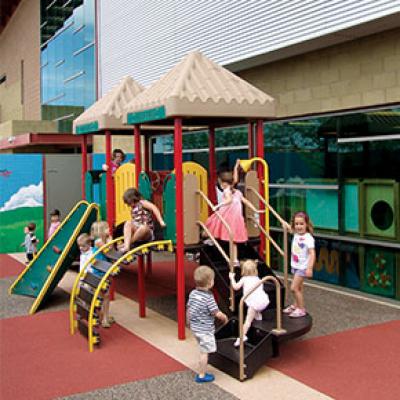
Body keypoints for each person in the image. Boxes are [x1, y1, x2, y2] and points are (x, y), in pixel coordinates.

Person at [205, 173, 264, 266]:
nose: (220, 185)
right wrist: (255, 209)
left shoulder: (226, 190)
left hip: (227, 215)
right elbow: (246, 201)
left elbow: (229, 200)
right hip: (236, 217)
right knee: (233, 238)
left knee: (213, 224)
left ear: (224, 183)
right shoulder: (238, 192)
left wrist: (218, 205)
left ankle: (211, 239)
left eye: (220, 183)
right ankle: (235, 259)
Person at [187, 265, 228, 383]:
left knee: (202, 347)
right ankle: (202, 375)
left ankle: (202, 366)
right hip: (205, 329)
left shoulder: (193, 293)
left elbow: (189, 308)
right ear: (210, 283)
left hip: (195, 327)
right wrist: (224, 318)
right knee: (204, 352)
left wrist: (188, 321)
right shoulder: (209, 298)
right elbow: (216, 313)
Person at [229, 259, 270, 346]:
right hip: (264, 301)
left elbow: (236, 287)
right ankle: (258, 315)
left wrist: (232, 278)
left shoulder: (244, 279)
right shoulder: (258, 279)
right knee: (256, 303)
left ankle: (242, 336)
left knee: (247, 321)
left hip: (254, 304)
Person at [283, 211, 316, 318]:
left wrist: (309, 268)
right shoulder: (296, 234)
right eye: (296, 224)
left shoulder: (308, 238)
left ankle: (301, 309)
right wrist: (285, 224)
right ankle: (295, 304)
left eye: (301, 224)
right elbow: (289, 228)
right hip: (295, 266)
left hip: (303, 267)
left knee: (294, 288)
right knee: (299, 287)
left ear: (306, 224)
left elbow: (312, 253)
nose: (299, 226)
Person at [120, 188, 166, 252]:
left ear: (134, 199)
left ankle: (129, 243)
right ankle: (126, 246)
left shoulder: (142, 203)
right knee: (128, 223)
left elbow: (154, 208)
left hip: (147, 232)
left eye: (130, 203)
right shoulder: (133, 208)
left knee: (143, 228)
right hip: (137, 231)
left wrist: (160, 221)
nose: (129, 205)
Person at [90, 221, 114, 328]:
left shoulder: (103, 240)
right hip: (99, 271)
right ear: (101, 231)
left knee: (106, 295)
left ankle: (105, 316)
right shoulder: (98, 241)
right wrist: (111, 240)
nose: (109, 230)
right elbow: (108, 251)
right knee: (101, 295)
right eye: (107, 228)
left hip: (105, 270)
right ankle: (101, 316)